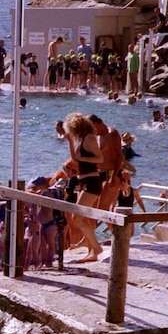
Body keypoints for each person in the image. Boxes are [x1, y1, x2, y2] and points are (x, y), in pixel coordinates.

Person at [64, 112, 104, 263]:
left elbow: (100, 158)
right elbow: (76, 159)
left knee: (77, 218)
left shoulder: (90, 138)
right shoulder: (82, 140)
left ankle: (96, 247)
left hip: (92, 182)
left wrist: (83, 157)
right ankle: (92, 250)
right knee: (82, 218)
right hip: (84, 182)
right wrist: (70, 143)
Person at [89, 114, 123, 213]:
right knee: (92, 209)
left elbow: (119, 156)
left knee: (102, 209)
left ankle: (118, 229)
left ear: (96, 124)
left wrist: (113, 176)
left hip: (111, 173)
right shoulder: (96, 136)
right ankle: (114, 229)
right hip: (98, 174)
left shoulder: (112, 133)